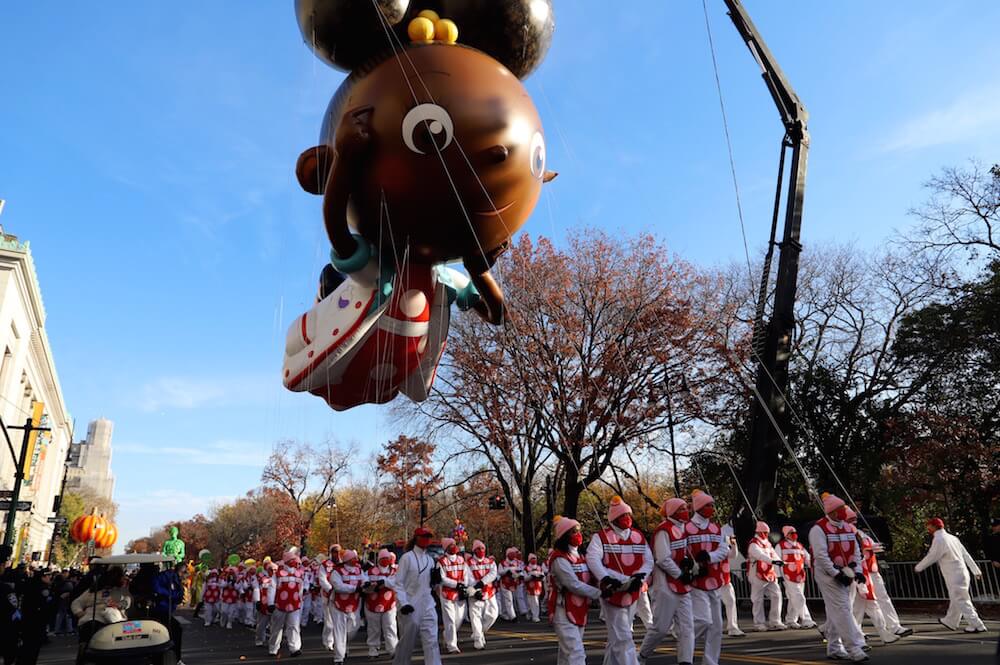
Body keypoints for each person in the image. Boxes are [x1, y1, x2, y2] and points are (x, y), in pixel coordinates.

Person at [587, 496, 653, 665]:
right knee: (623, 636)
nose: (627, 518)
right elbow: (593, 559)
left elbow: (648, 560)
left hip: (633, 591)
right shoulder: (601, 537)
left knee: (617, 636)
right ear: (614, 519)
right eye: (623, 515)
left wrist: (640, 577)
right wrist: (607, 578)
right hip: (612, 592)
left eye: (629, 515)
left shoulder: (638, 536)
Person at [809, 493, 868, 662]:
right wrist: (836, 574)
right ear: (833, 511)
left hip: (846, 573)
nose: (844, 511)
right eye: (841, 508)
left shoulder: (848, 528)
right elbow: (821, 556)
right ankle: (854, 647)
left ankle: (834, 647)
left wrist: (858, 570)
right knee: (842, 608)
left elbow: (856, 551)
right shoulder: (818, 529)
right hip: (827, 576)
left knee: (838, 609)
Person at [638, 497, 694, 665]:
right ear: (673, 512)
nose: (687, 511)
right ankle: (641, 657)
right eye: (682, 508)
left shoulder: (682, 528)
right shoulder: (663, 530)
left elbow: (682, 553)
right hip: (665, 586)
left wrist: (688, 563)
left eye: (686, 508)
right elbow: (663, 559)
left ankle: (686, 661)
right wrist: (679, 574)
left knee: (687, 627)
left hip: (682, 586)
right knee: (660, 629)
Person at [915, 517, 987, 633]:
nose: (928, 529)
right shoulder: (953, 538)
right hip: (963, 572)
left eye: (929, 526)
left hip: (954, 574)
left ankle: (977, 624)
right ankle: (951, 620)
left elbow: (932, 556)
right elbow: (965, 555)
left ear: (933, 527)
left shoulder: (939, 539)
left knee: (961, 600)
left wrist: (919, 567)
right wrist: (976, 570)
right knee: (956, 598)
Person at [684, 490, 730, 665]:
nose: (711, 508)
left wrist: (709, 557)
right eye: (708, 505)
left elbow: (724, 549)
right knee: (703, 620)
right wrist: (691, 566)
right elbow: (682, 551)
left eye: (712, 505)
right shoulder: (686, 527)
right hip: (696, 581)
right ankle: (685, 640)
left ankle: (710, 661)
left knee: (716, 626)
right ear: (699, 507)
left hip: (714, 579)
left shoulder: (716, 527)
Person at [548, 517, 602, 665]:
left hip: (580, 608)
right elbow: (572, 584)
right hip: (563, 610)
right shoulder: (559, 558)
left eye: (578, 531)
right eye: (573, 532)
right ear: (564, 535)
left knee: (567, 655)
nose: (577, 534)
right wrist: (600, 593)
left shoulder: (581, 556)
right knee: (576, 653)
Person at [389, 527, 442, 665]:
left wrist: (436, 581)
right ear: (416, 538)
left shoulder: (430, 560)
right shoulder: (407, 558)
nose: (426, 539)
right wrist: (403, 603)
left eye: (428, 537)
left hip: (428, 604)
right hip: (410, 604)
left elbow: (431, 585)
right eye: (424, 536)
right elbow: (398, 583)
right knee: (407, 641)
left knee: (432, 641)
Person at [848, 519, 898, 646]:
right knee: (855, 609)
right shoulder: (849, 536)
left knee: (866, 607)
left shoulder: (860, 535)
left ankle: (883, 634)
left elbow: (863, 554)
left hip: (864, 575)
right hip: (856, 577)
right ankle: (854, 637)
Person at [71, 566, 133, 645]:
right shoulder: (93, 591)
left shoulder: (120, 591)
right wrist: (79, 612)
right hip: (92, 619)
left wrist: (119, 604)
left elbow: (127, 600)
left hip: (113, 619)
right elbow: (77, 602)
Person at [327, 549, 366, 665]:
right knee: (339, 630)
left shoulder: (359, 569)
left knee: (354, 626)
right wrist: (354, 588)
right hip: (337, 604)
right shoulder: (337, 571)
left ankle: (342, 645)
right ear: (347, 560)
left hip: (354, 603)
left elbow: (364, 580)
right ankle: (338, 657)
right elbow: (338, 586)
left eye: (356, 557)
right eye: (353, 558)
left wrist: (366, 585)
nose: (356, 560)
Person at [267, 548, 305, 657]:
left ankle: (295, 648)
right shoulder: (279, 573)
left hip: (294, 605)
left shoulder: (299, 574)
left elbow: (300, 589)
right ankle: (273, 648)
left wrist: (299, 600)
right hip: (280, 605)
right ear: (287, 561)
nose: (294, 562)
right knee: (276, 627)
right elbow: (272, 588)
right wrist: (270, 603)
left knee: (294, 626)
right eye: (292, 560)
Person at [747, 521, 785, 631]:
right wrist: (773, 561)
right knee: (757, 599)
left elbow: (774, 554)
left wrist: (779, 561)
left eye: (767, 532)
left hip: (769, 573)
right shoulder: (754, 544)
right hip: (757, 574)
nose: (766, 535)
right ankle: (759, 623)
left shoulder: (767, 544)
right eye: (764, 532)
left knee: (777, 595)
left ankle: (775, 621)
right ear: (759, 532)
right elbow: (760, 555)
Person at [777, 526, 815, 629]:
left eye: (795, 532)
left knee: (793, 597)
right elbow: (777, 561)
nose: (794, 534)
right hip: (788, 575)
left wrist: (815, 565)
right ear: (786, 535)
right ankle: (806, 619)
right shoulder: (780, 545)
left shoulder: (799, 546)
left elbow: (808, 559)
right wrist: (779, 576)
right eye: (791, 532)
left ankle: (790, 620)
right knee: (799, 597)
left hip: (800, 575)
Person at [437, 537, 471, 653]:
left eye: (454, 544)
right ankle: (452, 646)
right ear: (446, 548)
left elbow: (466, 574)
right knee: (450, 619)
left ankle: (447, 634)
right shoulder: (441, 562)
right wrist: (456, 584)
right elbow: (442, 578)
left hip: (460, 594)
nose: (453, 547)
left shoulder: (461, 560)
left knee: (459, 619)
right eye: (451, 545)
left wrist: (463, 584)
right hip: (446, 594)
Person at [365, 549, 399, 659]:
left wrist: (384, 582)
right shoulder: (370, 571)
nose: (385, 561)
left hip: (389, 603)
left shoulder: (395, 571)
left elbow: (396, 583)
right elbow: (364, 583)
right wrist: (368, 586)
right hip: (372, 603)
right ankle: (373, 649)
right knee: (373, 628)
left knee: (390, 626)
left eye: (387, 558)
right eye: (383, 558)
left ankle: (393, 648)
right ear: (378, 559)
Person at [17, 568, 55, 665]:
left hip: (28, 620)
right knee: (32, 648)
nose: (50, 578)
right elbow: (43, 606)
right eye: (48, 576)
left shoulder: (31, 585)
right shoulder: (42, 588)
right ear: (43, 577)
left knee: (26, 647)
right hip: (36, 622)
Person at [466, 540, 499, 650]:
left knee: (493, 614)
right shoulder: (468, 563)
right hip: (474, 593)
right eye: (478, 548)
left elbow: (493, 574)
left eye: (482, 548)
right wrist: (475, 590)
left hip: (489, 591)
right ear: (474, 550)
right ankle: (478, 640)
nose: (481, 550)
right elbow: (468, 577)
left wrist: (482, 582)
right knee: (475, 616)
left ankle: (479, 632)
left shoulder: (490, 561)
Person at [152, 563, 187, 665]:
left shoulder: (177, 579)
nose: (186, 574)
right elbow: (156, 587)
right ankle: (174, 658)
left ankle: (174, 657)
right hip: (160, 609)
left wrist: (177, 596)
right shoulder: (167, 576)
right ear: (180, 571)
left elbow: (179, 596)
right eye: (185, 572)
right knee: (174, 630)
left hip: (167, 609)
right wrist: (168, 594)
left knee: (174, 631)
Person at [719, 524, 745, 637]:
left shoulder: (723, 544)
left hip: (725, 579)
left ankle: (733, 627)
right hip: (710, 580)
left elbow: (733, 555)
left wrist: (734, 545)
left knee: (731, 601)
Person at [252, 561, 277, 647]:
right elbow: (256, 588)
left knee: (274, 625)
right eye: (271, 570)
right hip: (263, 605)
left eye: (275, 570)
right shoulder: (260, 578)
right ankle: (259, 639)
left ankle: (273, 643)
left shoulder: (279, 578)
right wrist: (257, 601)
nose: (273, 572)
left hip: (274, 605)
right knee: (261, 625)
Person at [497, 547, 523, 621]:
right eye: (511, 553)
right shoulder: (502, 563)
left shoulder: (517, 562)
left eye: (513, 553)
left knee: (508, 599)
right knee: (509, 599)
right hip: (505, 583)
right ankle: (513, 616)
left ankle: (504, 614)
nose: (513, 555)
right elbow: (500, 572)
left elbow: (520, 570)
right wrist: (506, 571)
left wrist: (520, 575)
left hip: (514, 583)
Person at [524, 554, 545, 623]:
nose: (534, 560)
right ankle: (533, 615)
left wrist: (540, 576)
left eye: (535, 558)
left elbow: (543, 577)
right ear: (529, 560)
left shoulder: (539, 567)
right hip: (530, 588)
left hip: (538, 587)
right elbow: (525, 578)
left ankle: (534, 615)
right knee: (531, 602)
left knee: (535, 602)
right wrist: (531, 576)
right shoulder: (526, 568)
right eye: (532, 558)